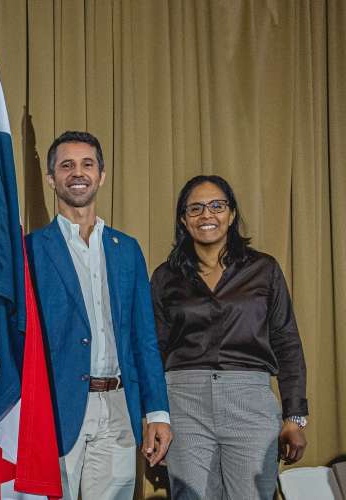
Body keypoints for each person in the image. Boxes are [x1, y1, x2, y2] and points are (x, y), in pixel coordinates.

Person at [26, 131, 172, 500]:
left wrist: (157, 411)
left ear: (101, 175)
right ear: (51, 178)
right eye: (67, 165)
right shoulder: (30, 250)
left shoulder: (127, 250)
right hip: (55, 411)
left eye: (87, 164)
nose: (78, 173)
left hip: (119, 410)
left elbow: (145, 338)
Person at [150, 175, 308, 499]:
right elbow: (154, 350)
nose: (206, 215)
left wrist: (294, 417)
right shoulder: (166, 277)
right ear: (183, 218)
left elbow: (286, 341)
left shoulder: (264, 269)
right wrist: (154, 414)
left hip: (249, 401)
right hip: (184, 402)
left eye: (217, 205)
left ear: (232, 214)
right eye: (195, 208)